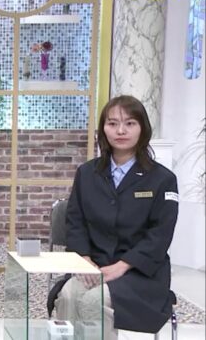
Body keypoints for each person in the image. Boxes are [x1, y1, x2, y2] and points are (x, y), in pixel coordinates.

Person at [49, 95, 179, 338]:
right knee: (67, 296)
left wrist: (121, 267)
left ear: (143, 129)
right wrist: (84, 260)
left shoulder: (163, 179)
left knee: (93, 301)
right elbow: (75, 223)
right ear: (103, 129)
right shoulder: (86, 173)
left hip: (140, 273)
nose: (120, 130)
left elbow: (160, 235)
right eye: (112, 123)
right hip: (93, 265)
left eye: (130, 123)